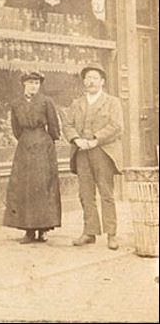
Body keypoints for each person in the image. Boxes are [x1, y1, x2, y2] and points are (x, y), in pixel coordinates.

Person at [62, 65, 123, 250]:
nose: (91, 81)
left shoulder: (112, 102)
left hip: (103, 152)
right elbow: (67, 124)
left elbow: (116, 126)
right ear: (84, 82)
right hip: (82, 152)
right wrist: (76, 140)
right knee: (85, 194)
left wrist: (96, 140)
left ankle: (111, 234)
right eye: (87, 78)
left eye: (95, 78)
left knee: (106, 193)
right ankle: (90, 232)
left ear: (102, 82)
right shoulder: (77, 104)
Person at [3, 71, 61, 244]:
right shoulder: (16, 103)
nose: (33, 86)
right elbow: (15, 128)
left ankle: (43, 229)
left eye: (36, 83)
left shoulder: (46, 102)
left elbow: (54, 126)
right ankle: (28, 230)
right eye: (30, 83)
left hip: (43, 145)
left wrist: (49, 142)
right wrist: (25, 139)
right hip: (24, 146)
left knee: (42, 185)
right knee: (25, 187)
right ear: (24, 84)